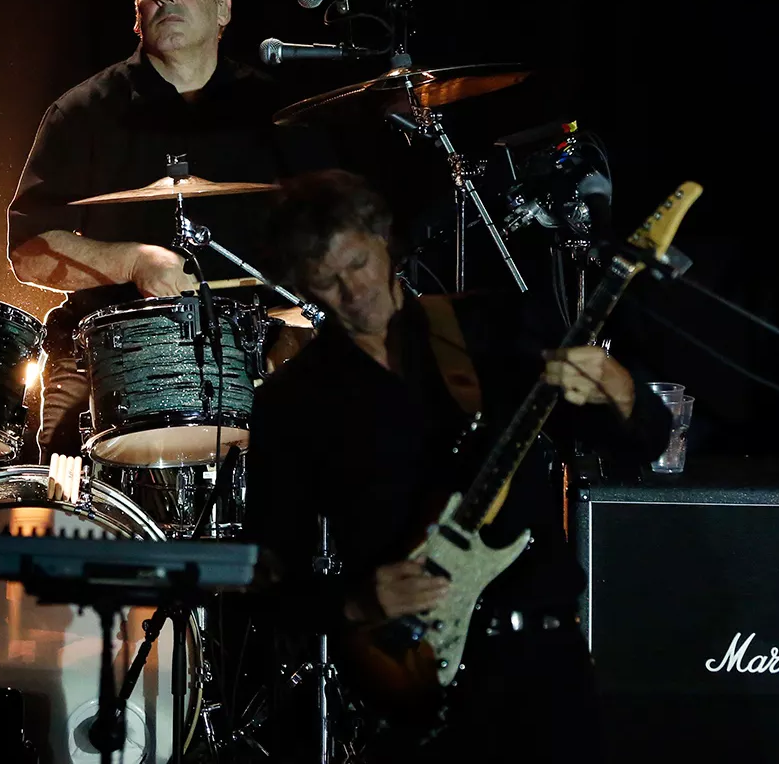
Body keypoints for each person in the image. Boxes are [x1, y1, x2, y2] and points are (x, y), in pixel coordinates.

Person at [244, 169, 671, 762]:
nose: (353, 291)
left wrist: (620, 390)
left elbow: (644, 443)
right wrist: (354, 603)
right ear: (302, 287)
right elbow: (265, 575)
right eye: (327, 281)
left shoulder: (490, 329)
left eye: (358, 263)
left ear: (383, 238)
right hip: (418, 679)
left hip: (542, 665)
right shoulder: (292, 402)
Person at [7, 0, 330, 460]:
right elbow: (27, 253)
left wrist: (295, 330)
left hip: (257, 350)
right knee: (63, 473)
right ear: (137, 16)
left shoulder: (280, 115)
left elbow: (330, 242)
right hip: (105, 359)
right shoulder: (83, 112)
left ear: (223, 9)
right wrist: (132, 261)